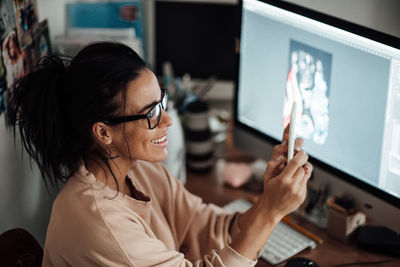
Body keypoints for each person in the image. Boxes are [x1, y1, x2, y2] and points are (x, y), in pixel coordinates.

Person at [5, 42, 313, 266]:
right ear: (103, 133)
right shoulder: (100, 224)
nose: (166, 121)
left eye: (161, 102)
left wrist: (268, 202)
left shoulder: (137, 169)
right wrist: (272, 212)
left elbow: (204, 226)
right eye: (151, 113)